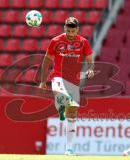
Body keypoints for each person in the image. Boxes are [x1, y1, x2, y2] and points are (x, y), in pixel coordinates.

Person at [39, 17, 94, 155]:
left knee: (73, 113)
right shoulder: (55, 41)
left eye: (73, 31)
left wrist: (91, 69)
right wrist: (42, 80)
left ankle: (68, 149)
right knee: (60, 93)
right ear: (64, 28)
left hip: (73, 81)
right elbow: (46, 61)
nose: (70, 33)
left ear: (77, 30)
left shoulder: (83, 42)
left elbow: (90, 61)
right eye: (68, 30)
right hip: (57, 76)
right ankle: (61, 105)